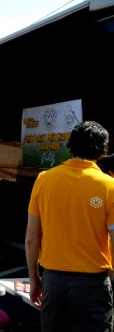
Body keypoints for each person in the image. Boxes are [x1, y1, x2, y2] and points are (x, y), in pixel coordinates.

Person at [25, 121, 114, 332]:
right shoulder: (109, 186)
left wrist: (35, 279)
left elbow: (31, 239)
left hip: (53, 283)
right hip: (93, 285)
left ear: (70, 147)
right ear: (102, 151)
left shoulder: (44, 180)